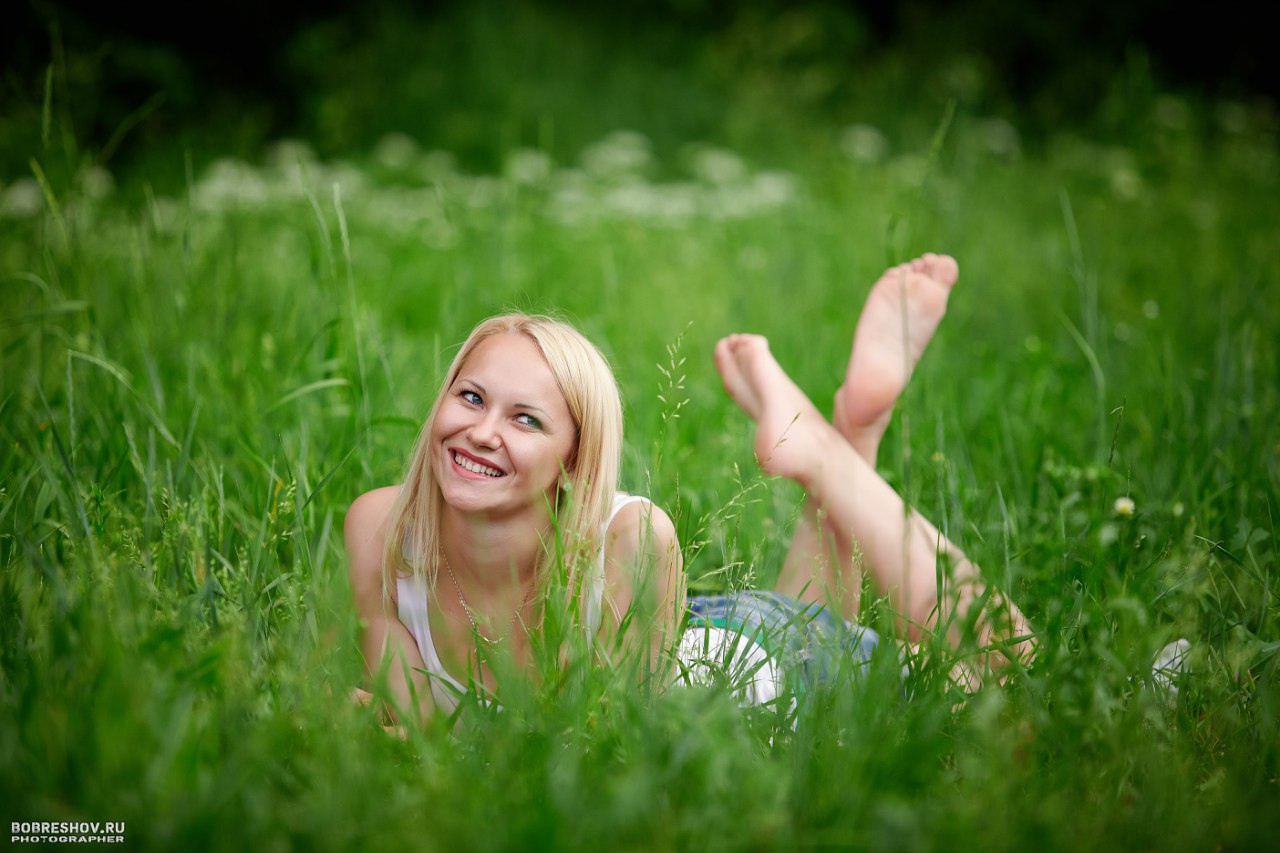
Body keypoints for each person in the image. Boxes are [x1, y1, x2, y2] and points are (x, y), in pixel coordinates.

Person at [345, 253, 1034, 726]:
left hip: (763, 667)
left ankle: (826, 456)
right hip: (715, 650)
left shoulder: (631, 537)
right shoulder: (382, 528)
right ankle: (856, 425)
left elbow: (594, 740)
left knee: (1015, 666)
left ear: (573, 462)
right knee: (805, 617)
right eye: (470, 397)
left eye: (526, 419)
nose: (482, 431)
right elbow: (413, 720)